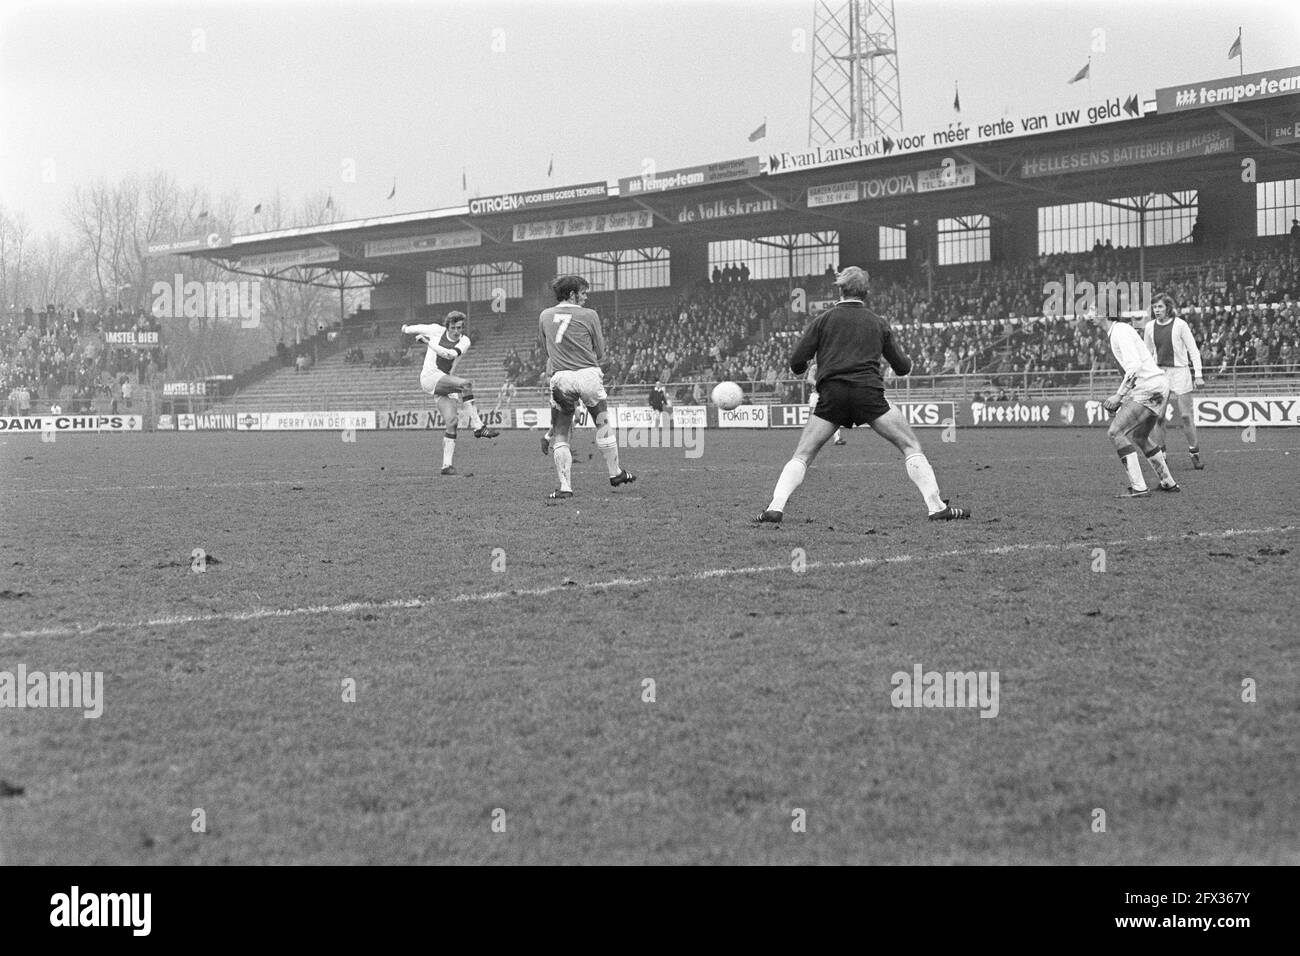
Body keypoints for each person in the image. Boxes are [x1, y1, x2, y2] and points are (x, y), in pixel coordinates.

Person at [757, 267, 968, 524]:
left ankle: (775, 508)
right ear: (866, 292)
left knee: (803, 454)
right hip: (868, 394)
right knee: (910, 446)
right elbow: (903, 368)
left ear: (840, 290)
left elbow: (796, 362)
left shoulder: (823, 320)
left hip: (832, 395)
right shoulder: (878, 323)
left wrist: (806, 367)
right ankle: (936, 507)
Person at [538, 275, 634, 499]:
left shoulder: (544, 315)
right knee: (602, 423)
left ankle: (565, 487)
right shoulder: (589, 315)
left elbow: (546, 350)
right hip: (588, 374)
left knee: (562, 432)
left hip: (562, 377)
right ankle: (615, 472)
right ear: (572, 294)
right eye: (583, 292)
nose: (586, 296)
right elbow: (600, 352)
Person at [1090, 307, 1180, 497]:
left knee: (1115, 433)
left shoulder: (1119, 331)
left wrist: (1119, 396)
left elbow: (1134, 367)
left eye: (1093, 310)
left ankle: (1139, 487)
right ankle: (1168, 482)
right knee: (1140, 436)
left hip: (1148, 387)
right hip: (1155, 387)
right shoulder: (1119, 330)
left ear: (1106, 313)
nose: (1089, 315)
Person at [400, 310, 499, 477]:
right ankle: (478, 427)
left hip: (445, 381)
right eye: (453, 327)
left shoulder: (464, 341)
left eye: (459, 327)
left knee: (452, 421)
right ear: (447, 326)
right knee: (466, 385)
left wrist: (428, 343)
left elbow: (449, 354)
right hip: (430, 377)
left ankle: (446, 466)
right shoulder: (436, 331)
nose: (456, 331)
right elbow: (416, 328)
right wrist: (405, 329)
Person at [1143, 294, 1205, 469]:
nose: (1157, 310)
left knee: (1186, 416)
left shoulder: (1180, 325)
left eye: (1160, 307)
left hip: (1180, 372)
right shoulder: (1149, 327)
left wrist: (1198, 375)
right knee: (1159, 417)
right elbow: (1147, 353)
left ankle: (1195, 453)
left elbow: (1193, 350)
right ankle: (1161, 455)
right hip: (1160, 373)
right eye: (1155, 307)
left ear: (1168, 308)